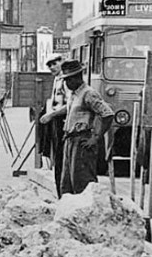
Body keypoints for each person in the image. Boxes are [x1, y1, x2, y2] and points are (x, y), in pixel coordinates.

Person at [40, 59, 114, 196]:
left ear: (76, 78)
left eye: (68, 80)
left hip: (82, 141)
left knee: (82, 183)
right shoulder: (75, 94)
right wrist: (51, 115)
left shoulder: (88, 93)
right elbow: (68, 108)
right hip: (70, 140)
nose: (66, 84)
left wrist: (95, 137)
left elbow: (107, 114)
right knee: (66, 184)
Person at [38, 55, 68, 194]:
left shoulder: (67, 80)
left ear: (62, 62)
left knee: (63, 158)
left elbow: (70, 104)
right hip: (55, 121)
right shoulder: (57, 79)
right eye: (49, 65)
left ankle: (64, 192)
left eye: (54, 64)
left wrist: (52, 114)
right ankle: (59, 191)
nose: (51, 67)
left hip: (64, 122)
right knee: (56, 156)